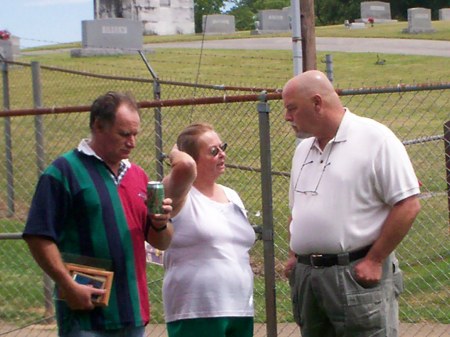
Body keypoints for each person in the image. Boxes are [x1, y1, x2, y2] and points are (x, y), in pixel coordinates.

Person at [23, 91, 175, 337]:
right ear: (98, 126)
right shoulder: (64, 171)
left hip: (133, 313)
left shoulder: (138, 176)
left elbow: (161, 241)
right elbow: (38, 236)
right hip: (85, 315)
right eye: (124, 134)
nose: (132, 142)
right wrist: (67, 284)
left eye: (135, 134)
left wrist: (161, 223)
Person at [282, 70, 421, 337]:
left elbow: (408, 204)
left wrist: (375, 259)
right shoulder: (303, 150)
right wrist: (293, 255)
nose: (287, 117)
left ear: (317, 103)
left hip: (355, 277)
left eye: (292, 109)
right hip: (308, 279)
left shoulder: (375, 139)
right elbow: (297, 208)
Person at [160, 123, 256, 337]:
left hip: (239, 307)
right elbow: (183, 167)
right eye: (213, 151)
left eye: (223, 147)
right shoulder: (180, 195)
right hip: (197, 310)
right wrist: (176, 153)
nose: (222, 154)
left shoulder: (231, 195)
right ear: (193, 160)